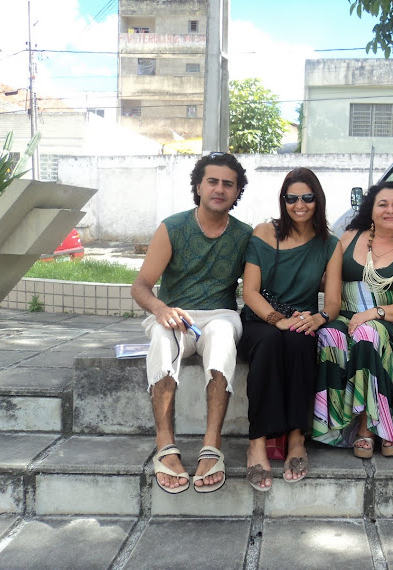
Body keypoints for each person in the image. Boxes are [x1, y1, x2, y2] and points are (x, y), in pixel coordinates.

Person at [131, 152, 252, 495]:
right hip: (175, 314)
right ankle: (165, 443)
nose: (219, 189)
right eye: (212, 181)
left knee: (223, 334)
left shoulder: (244, 235)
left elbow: (265, 280)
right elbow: (140, 286)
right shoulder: (173, 228)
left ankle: (211, 445)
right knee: (160, 338)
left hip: (220, 314)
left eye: (228, 183)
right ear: (198, 186)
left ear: (237, 191)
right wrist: (160, 308)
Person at [239, 167, 342, 491]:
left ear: (318, 200)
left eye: (307, 197)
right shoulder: (264, 233)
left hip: (301, 320)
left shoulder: (330, 244)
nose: (300, 204)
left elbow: (334, 302)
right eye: (292, 197)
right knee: (270, 343)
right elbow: (250, 291)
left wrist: (319, 318)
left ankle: (297, 439)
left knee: (300, 345)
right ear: (283, 200)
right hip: (261, 319)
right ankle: (257, 442)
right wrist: (276, 319)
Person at [312, 181, 393, 458]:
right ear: (371, 209)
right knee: (330, 336)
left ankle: (370, 427)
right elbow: (328, 282)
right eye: (382, 204)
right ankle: (336, 425)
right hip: (346, 314)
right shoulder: (350, 237)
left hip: (389, 320)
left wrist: (373, 313)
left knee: (368, 335)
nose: (390, 210)